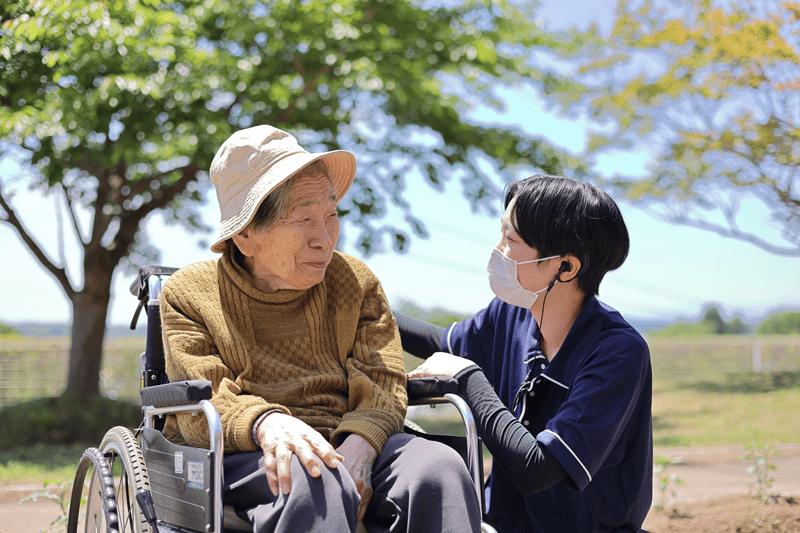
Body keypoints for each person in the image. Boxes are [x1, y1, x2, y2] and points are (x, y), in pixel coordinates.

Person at [159, 125, 481, 533]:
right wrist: (269, 423)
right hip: (245, 450)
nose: (325, 239)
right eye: (305, 219)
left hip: (351, 439)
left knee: (439, 468)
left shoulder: (354, 281)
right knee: (313, 475)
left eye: (331, 215)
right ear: (245, 235)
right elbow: (203, 401)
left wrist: (363, 443)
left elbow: (382, 379)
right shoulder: (189, 293)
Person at [403, 175, 653, 532]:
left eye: (510, 239)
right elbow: (444, 344)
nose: (496, 251)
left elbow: (537, 470)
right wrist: (367, 304)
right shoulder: (513, 314)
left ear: (565, 267)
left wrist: (468, 379)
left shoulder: (616, 352)